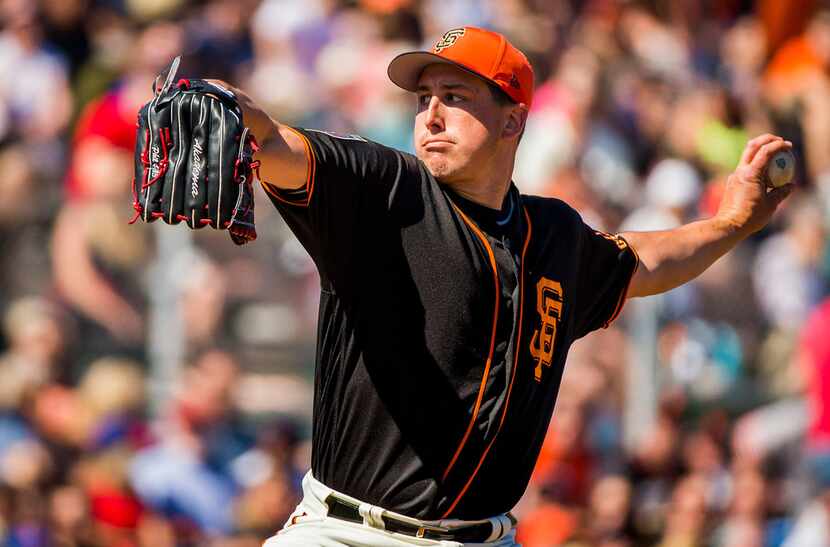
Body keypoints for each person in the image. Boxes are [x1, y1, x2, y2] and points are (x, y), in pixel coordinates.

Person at [210, 26, 792, 547]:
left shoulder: (554, 236)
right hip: (349, 533)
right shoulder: (385, 190)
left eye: (455, 98)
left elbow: (643, 262)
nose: (431, 115)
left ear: (512, 119)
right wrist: (227, 107)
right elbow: (280, 145)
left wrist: (730, 224)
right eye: (423, 99)